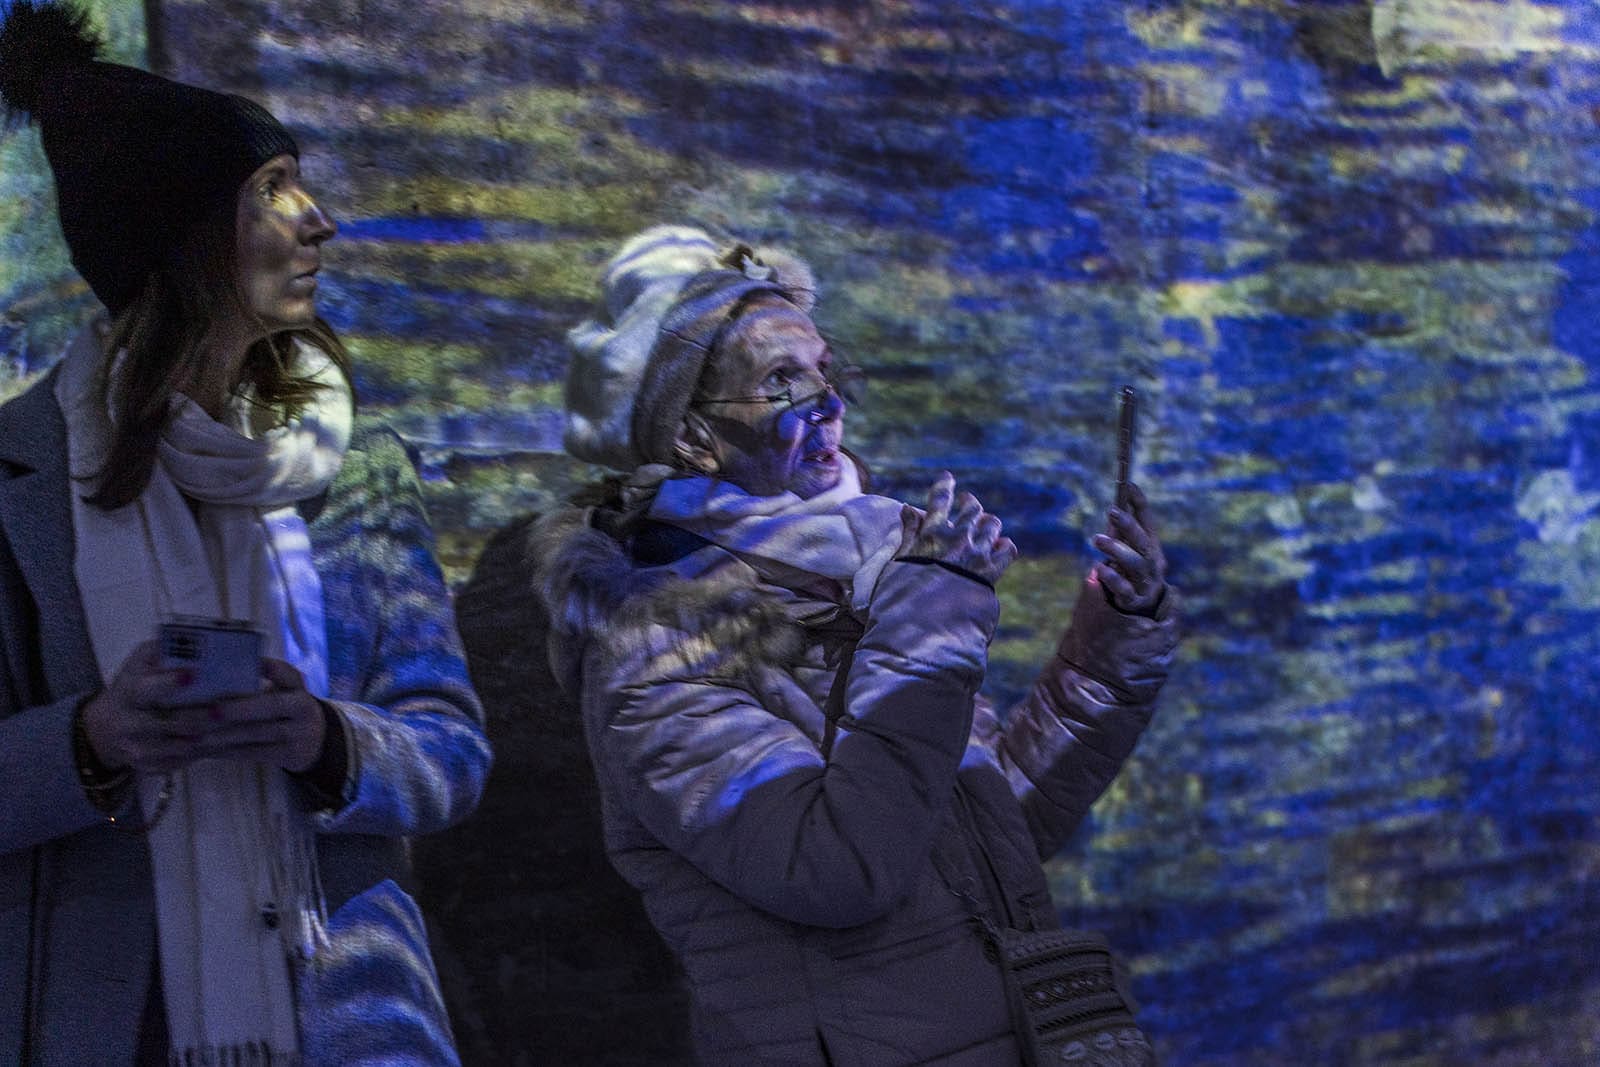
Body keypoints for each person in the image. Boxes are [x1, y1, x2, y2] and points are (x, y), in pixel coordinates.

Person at [526, 223, 1181, 1065]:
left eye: (826, 371)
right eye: (781, 380)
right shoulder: (655, 647)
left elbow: (995, 822)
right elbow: (839, 870)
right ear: (690, 435)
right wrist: (931, 618)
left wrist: (1117, 633)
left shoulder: (863, 574)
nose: (830, 403)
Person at [0, 3, 490, 1063]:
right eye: (272, 190)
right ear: (181, 237)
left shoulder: (359, 466)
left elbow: (452, 751)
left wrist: (326, 740)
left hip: (354, 1020)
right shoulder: (14, 481)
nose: (319, 221)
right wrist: (93, 739)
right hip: (107, 1021)